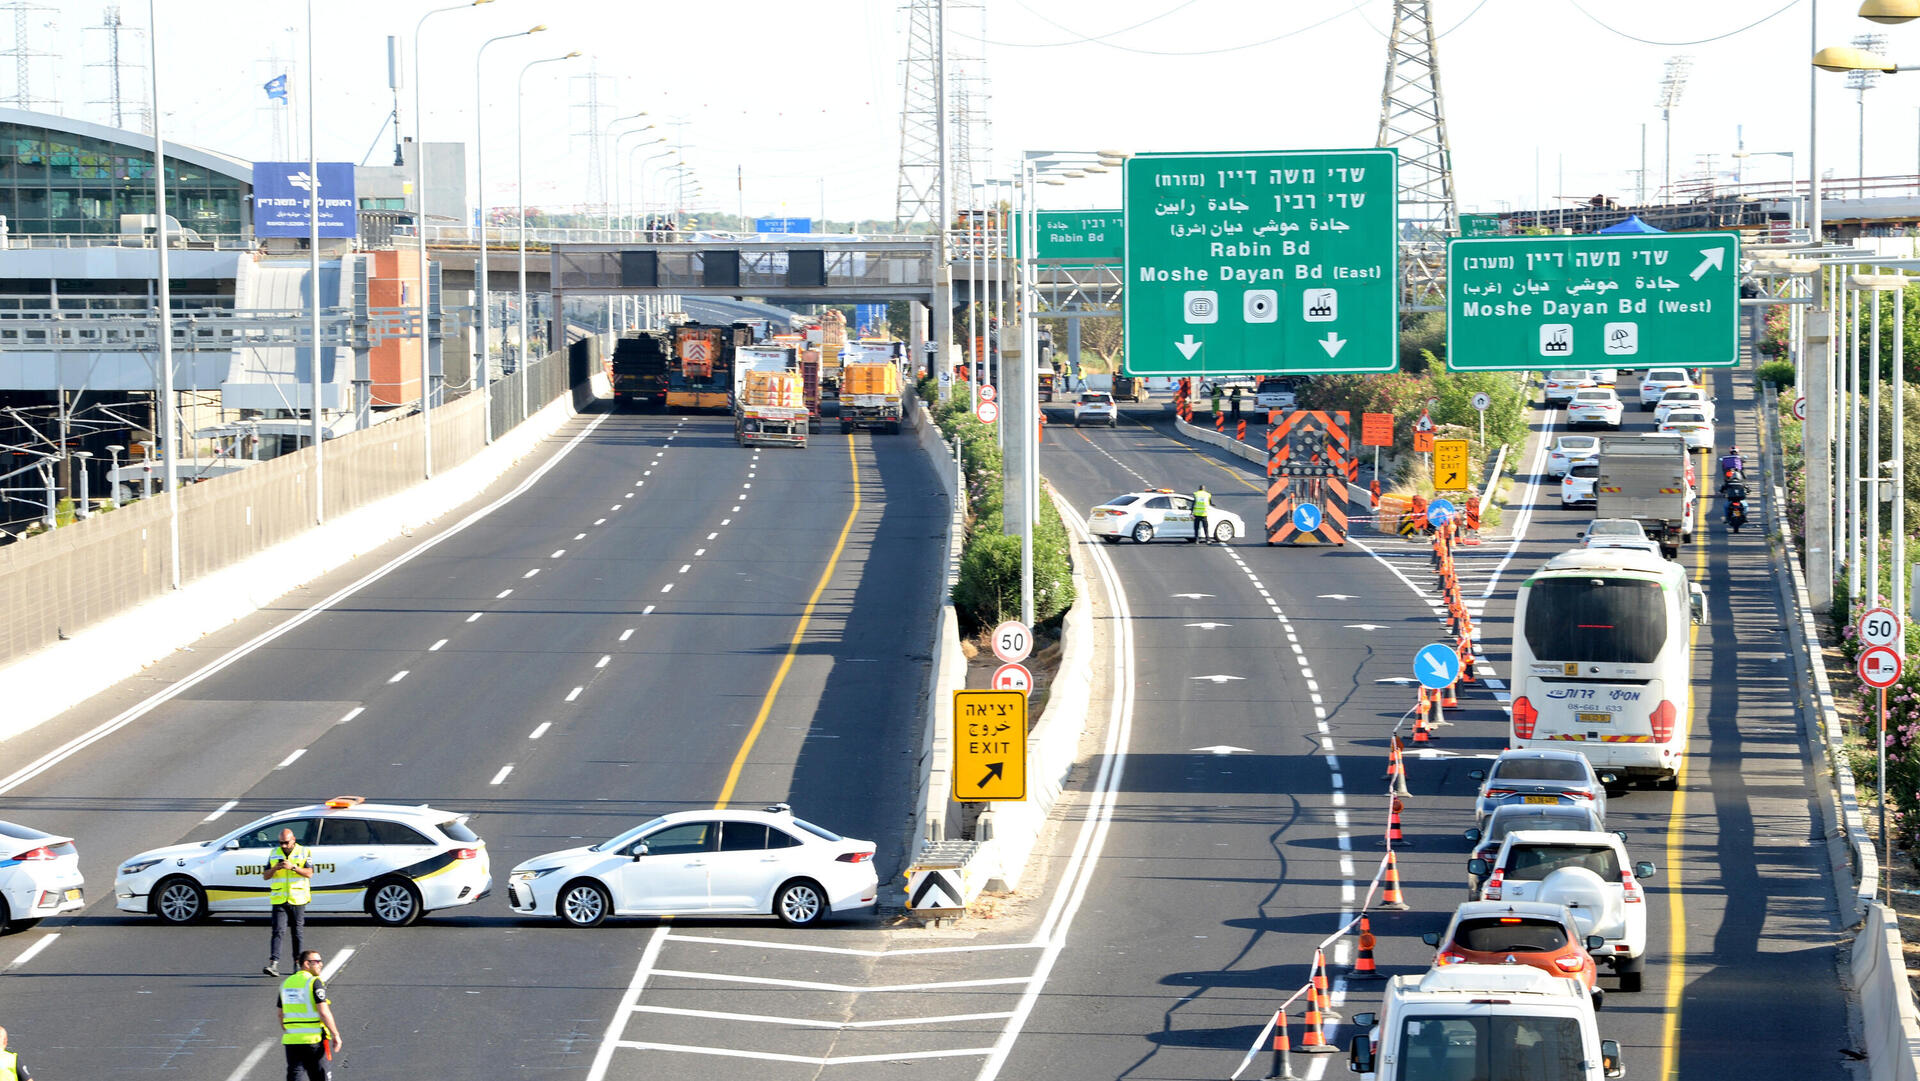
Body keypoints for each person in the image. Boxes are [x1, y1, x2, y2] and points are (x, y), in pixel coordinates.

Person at [278, 950, 342, 1081]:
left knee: (295, 1075)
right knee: (320, 1076)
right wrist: (335, 1034)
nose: (321, 964)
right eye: (317, 961)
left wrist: (290, 1030)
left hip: (292, 1041)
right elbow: (323, 1012)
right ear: (306, 964)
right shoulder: (313, 982)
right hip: (313, 1040)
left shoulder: (286, 983)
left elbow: (280, 1014)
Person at [263, 827, 313, 977]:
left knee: (297, 932)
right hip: (280, 898)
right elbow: (265, 876)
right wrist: (275, 868)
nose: (283, 846)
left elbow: (309, 873)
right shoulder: (274, 853)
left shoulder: (304, 852)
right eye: (280, 843)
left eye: (286, 843)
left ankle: (297, 964)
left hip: (298, 898)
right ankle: (274, 964)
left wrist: (293, 867)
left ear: (293, 840)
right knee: (278, 930)